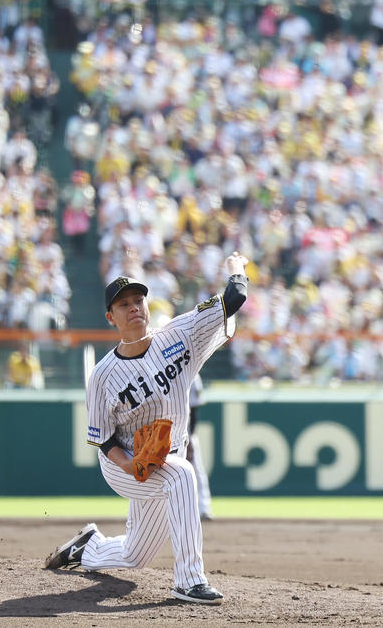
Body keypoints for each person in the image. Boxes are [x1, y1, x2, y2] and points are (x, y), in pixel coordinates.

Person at [46, 251, 249, 605]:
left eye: (138, 299)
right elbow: (103, 438)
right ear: (111, 317)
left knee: (135, 556)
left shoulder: (180, 335)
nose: (134, 307)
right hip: (123, 464)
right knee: (183, 474)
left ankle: (87, 547)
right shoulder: (103, 376)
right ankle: (189, 580)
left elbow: (234, 298)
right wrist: (128, 464)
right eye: (123, 304)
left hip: (163, 459)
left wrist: (237, 268)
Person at [187, 373, 213, 521]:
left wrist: (190, 437)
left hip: (185, 431)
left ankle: (203, 509)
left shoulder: (193, 375)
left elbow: (194, 410)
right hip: (161, 431)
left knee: (196, 471)